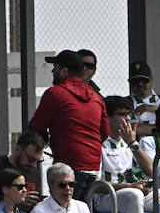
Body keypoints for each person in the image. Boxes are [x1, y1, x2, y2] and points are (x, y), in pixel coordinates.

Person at [28, 50, 107, 199]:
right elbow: (104, 133)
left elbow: (36, 128)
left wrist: (49, 140)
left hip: (68, 167)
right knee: (82, 210)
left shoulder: (54, 94)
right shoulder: (97, 97)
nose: (52, 70)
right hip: (94, 168)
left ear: (64, 71)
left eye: (56, 67)